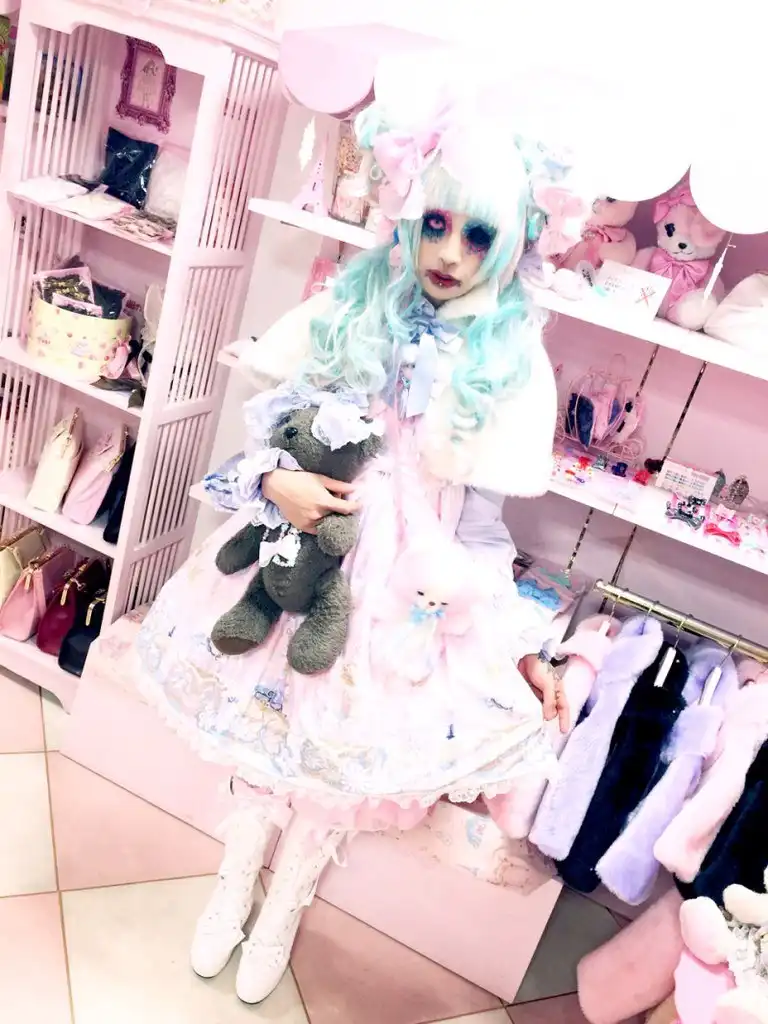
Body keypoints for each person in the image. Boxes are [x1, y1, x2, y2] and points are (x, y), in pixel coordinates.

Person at [136, 98, 578, 1005]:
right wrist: (274, 484)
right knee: (265, 730)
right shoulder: (353, 306)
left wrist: (523, 650)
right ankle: (236, 876)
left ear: (511, 244)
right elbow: (274, 429)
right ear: (409, 214)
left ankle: (286, 900)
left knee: (336, 758)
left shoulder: (506, 360)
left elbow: (483, 529)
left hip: (399, 592)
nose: (449, 253)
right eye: (436, 223)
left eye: (477, 234)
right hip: (304, 548)